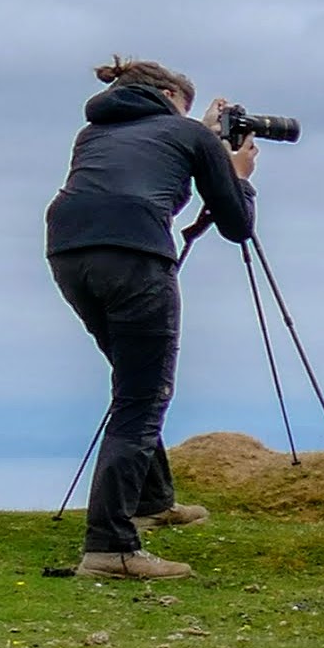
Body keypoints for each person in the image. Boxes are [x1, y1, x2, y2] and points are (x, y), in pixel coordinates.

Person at [45, 56, 257, 580]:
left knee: (132, 383)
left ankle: (152, 501)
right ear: (169, 96)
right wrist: (237, 173)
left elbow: (147, 173)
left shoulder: (92, 134)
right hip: (135, 259)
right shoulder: (187, 133)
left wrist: (199, 139)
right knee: (143, 397)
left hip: (70, 255)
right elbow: (236, 224)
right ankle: (110, 548)